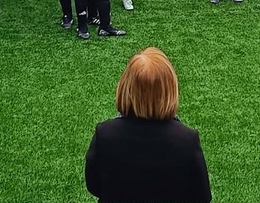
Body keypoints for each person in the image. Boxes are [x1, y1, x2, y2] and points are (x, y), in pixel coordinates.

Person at [85, 47, 211, 203]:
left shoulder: (105, 133)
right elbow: (202, 196)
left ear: (126, 87)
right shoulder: (186, 139)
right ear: (169, 90)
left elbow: (93, 185)